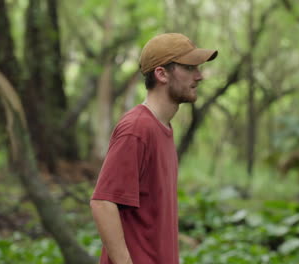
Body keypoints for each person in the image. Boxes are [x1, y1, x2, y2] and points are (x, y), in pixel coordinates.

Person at [90, 33, 218, 264]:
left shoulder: (162, 128)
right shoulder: (137, 129)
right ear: (161, 74)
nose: (199, 76)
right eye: (190, 68)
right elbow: (102, 203)